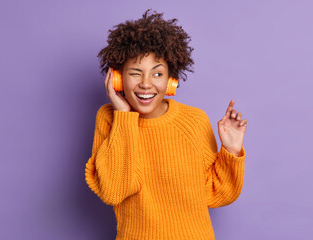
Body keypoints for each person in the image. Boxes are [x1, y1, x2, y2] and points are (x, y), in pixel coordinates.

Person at [85, 8, 248, 240]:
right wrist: (124, 116)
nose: (145, 84)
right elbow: (113, 191)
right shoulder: (110, 118)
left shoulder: (193, 121)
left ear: (171, 80)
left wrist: (230, 151)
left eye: (157, 74)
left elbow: (215, 194)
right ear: (118, 78)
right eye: (135, 73)